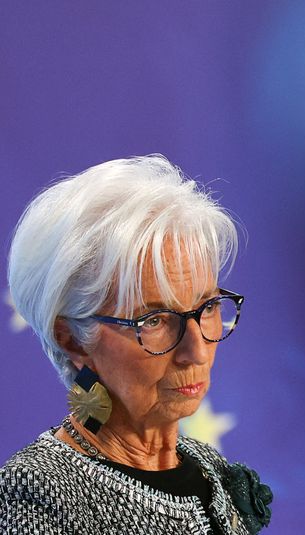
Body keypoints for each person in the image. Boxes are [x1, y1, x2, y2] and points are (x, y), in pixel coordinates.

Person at [0, 155, 272, 534]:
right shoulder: (37, 493)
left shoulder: (215, 473)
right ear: (72, 338)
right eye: (155, 320)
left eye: (207, 307)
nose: (196, 351)